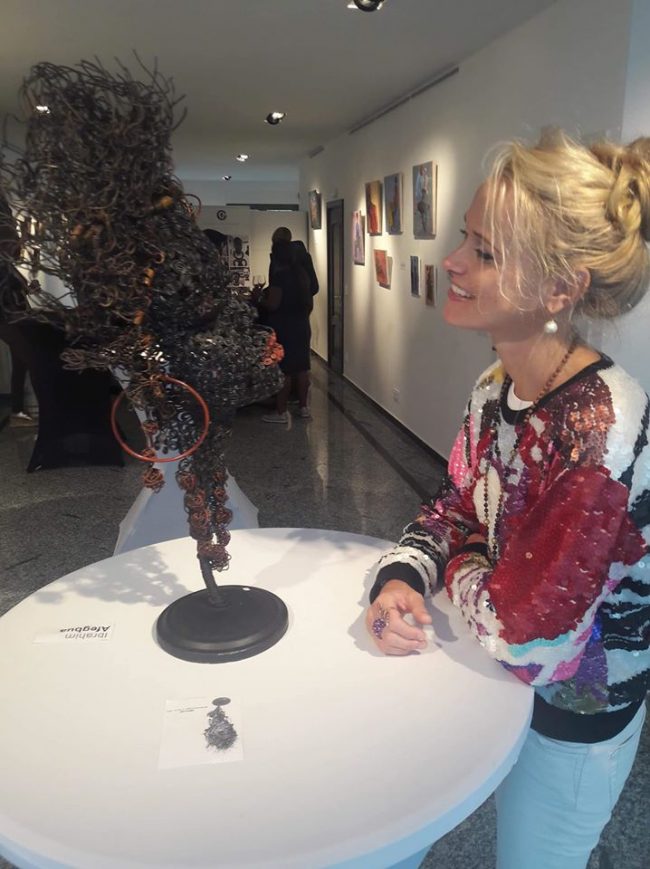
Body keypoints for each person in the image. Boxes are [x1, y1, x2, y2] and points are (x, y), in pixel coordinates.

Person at [365, 130, 650, 869]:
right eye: (466, 237)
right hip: (491, 683)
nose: (452, 262)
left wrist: (462, 560)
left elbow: (529, 641)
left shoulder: (599, 427)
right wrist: (401, 574)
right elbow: (455, 505)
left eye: (485, 252)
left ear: (560, 289)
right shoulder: (496, 388)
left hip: (572, 718)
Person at [259, 239, 312, 423]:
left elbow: (273, 304)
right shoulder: (302, 275)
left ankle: (281, 412)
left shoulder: (280, 277)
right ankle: (304, 407)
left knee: (285, 369)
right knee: (302, 368)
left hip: (285, 326)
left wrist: (259, 299)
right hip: (302, 325)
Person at [0, 191, 36, 427]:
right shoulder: (4, 266)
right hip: (8, 317)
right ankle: (18, 411)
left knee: (22, 361)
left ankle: (17, 411)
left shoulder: (7, 267)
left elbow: (16, 283)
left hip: (13, 315)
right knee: (29, 358)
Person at [269, 226, 319, 296]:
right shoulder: (303, 256)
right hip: (303, 301)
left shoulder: (278, 259)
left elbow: (274, 285)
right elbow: (314, 287)